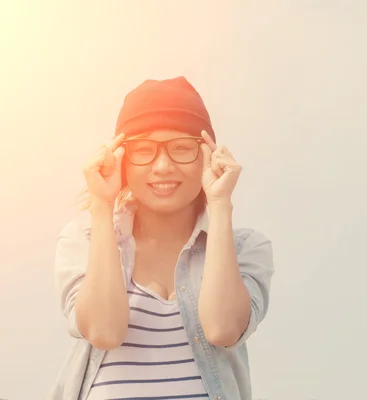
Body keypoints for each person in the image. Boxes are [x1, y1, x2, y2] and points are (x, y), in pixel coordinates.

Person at [48, 77, 275, 400]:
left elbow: (224, 329)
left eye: (182, 149)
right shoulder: (82, 241)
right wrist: (101, 205)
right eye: (144, 151)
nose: (163, 166)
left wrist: (220, 205)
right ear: (122, 160)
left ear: (207, 156)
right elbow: (103, 330)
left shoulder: (245, 249)